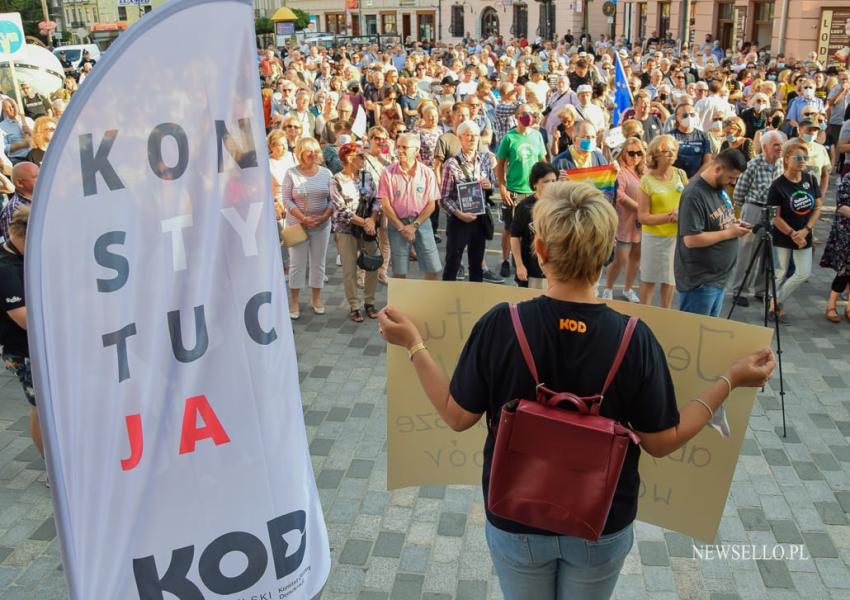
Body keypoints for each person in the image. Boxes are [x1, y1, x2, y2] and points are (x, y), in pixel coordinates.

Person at [377, 181, 775, 600]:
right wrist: (729, 379)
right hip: (602, 522)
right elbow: (661, 442)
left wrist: (414, 345)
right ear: (607, 256)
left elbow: (457, 416)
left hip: (515, 516)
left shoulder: (501, 324)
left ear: (542, 251)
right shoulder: (635, 339)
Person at [674, 149, 750, 317]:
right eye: (731, 177)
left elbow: (717, 221)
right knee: (695, 336)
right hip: (700, 282)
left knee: (708, 336)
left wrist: (734, 223)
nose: (733, 182)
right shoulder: (694, 194)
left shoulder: (719, 187)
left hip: (717, 279)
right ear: (718, 168)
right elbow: (691, 239)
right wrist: (730, 233)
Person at [0, 206, 43, 459]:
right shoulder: (6, 269)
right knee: (41, 409)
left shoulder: (23, 257)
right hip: (24, 351)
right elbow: (24, 320)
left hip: (38, 348)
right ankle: (50, 467)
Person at [767, 139, 823, 322]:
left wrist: (805, 230)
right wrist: (792, 233)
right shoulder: (777, 185)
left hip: (804, 234)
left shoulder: (810, 179)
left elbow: (817, 207)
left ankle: (776, 301)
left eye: (805, 157)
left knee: (803, 272)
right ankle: (774, 308)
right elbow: (775, 217)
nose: (802, 161)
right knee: (780, 272)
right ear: (786, 159)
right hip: (784, 235)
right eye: (798, 157)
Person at [730, 130, 785, 307]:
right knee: (747, 251)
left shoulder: (781, 165)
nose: (780, 147)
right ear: (765, 147)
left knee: (767, 253)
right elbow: (739, 192)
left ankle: (761, 290)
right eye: (776, 144)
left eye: (781, 144)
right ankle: (740, 290)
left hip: (773, 212)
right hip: (753, 208)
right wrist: (746, 211)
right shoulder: (753, 164)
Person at [377, 133, 442, 280]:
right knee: (399, 271)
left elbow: (432, 204)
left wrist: (414, 225)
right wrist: (401, 227)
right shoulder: (388, 173)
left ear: (416, 150)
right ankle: (400, 303)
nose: (399, 150)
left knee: (432, 268)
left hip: (422, 223)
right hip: (397, 224)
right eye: (398, 146)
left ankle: (428, 301)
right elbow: (385, 205)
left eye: (404, 147)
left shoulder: (427, 173)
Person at [282, 138, 334, 320]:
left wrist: (325, 216)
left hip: (322, 225)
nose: (312, 154)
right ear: (300, 153)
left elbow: (333, 199)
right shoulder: (291, 173)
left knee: (318, 263)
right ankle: (294, 302)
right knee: (296, 264)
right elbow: (286, 199)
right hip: (296, 225)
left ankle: (316, 299)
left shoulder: (327, 173)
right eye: (308, 151)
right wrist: (303, 218)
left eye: (315, 150)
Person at [439, 121, 495, 282]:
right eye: (468, 135)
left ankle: (474, 302)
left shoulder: (484, 159)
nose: (472, 139)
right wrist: (459, 213)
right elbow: (443, 198)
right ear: (460, 138)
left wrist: (489, 185)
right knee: (453, 263)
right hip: (459, 220)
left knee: (476, 265)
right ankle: (447, 300)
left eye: (475, 135)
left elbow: (490, 185)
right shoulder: (451, 164)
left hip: (479, 218)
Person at [330, 143, 381, 322]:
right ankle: (354, 305)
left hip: (369, 228)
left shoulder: (367, 176)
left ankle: (370, 302)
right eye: (360, 155)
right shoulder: (336, 180)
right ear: (348, 158)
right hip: (346, 230)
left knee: (372, 265)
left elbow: (377, 199)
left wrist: (372, 220)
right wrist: (365, 222)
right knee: (350, 268)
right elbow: (341, 210)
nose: (363, 158)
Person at [496, 104, 547, 278]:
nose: (528, 116)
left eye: (531, 113)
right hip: (514, 191)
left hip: (534, 192)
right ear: (517, 116)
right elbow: (500, 163)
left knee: (532, 229)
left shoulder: (537, 136)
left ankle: (527, 261)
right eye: (524, 113)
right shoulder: (509, 138)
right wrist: (502, 187)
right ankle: (505, 259)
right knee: (510, 229)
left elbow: (542, 160)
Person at [637, 135, 686, 308]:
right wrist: (669, 216)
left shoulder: (680, 174)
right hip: (654, 238)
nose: (671, 154)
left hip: (675, 237)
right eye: (666, 151)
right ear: (655, 155)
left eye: (674, 150)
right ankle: (643, 317)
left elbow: (687, 200)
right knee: (649, 279)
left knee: (670, 280)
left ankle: (665, 315)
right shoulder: (647, 180)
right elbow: (642, 217)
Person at [602, 138, 645, 303]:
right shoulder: (619, 171)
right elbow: (619, 195)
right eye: (631, 153)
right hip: (625, 222)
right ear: (623, 153)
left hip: (641, 224)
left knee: (636, 258)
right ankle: (608, 287)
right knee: (621, 259)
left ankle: (628, 289)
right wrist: (640, 209)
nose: (635, 157)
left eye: (639, 153)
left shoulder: (645, 170)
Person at [510, 162, 557, 289]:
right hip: (531, 271)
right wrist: (519, 265)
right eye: (546, 181)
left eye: (554, 181)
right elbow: (514, 236)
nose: (551, 185)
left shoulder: (561, 205)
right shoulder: (525, 207)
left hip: (555, 271)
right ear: (535, 183)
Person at [821, 172, 850, 322]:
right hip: (846, 232)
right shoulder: (848, 179)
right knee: (844, 270)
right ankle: (831, 304)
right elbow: (841, 207)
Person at [670, 103, 712, 178]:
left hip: (697, 180)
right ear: (677, 117)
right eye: (685, 115)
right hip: (675, 179)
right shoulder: (670, 136)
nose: (689, 117)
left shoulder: (703, 136)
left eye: (692, 115)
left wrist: (693, 180)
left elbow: (708, 161)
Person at [0, 162, 38, 241]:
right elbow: (16, 248)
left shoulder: (43, 198)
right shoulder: (13, 210)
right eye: (36, 177)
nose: (42, 179)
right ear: (20, 183)